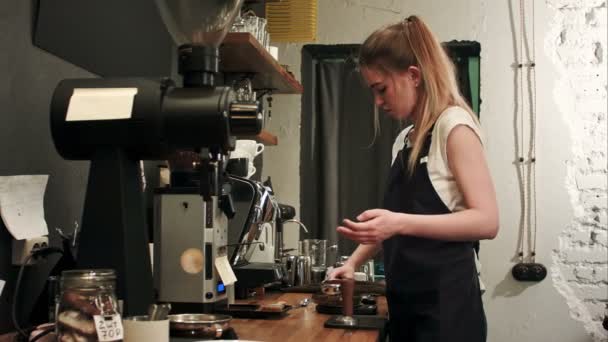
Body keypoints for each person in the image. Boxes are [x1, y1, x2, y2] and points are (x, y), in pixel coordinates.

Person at [329, 15, 499, 342]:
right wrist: (352, 263)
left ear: (414, 76)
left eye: (382, 89)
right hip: (406, 302)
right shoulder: (405, 139)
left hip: (448, 309)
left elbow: (487, 221)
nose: (378, 102)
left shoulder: (455, 127)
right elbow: (390, 225)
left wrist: (398, 224)